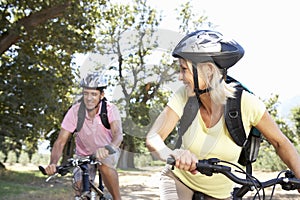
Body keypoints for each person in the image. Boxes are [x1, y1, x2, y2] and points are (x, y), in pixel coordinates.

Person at [146, 30, 300, 200]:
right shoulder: (184, 95)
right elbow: (153, 137)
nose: (180, 77)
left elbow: (280, 143)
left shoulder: (246, 104)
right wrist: (172, 153)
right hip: (179, 181)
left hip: (220, 194)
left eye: (184, 69)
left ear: (208, 71)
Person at [44, 72, 123, 200]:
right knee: (79, 186)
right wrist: (53, 163)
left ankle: (117, 198)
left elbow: (118, 134)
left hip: (108, 151)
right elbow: (60, 142)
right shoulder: (75, 111)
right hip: (83, 154)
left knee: (104, 165)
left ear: (101, 95)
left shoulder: (110, 109)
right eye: (86, 93)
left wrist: (108, 148)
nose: (89, 98)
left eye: (94, 94)